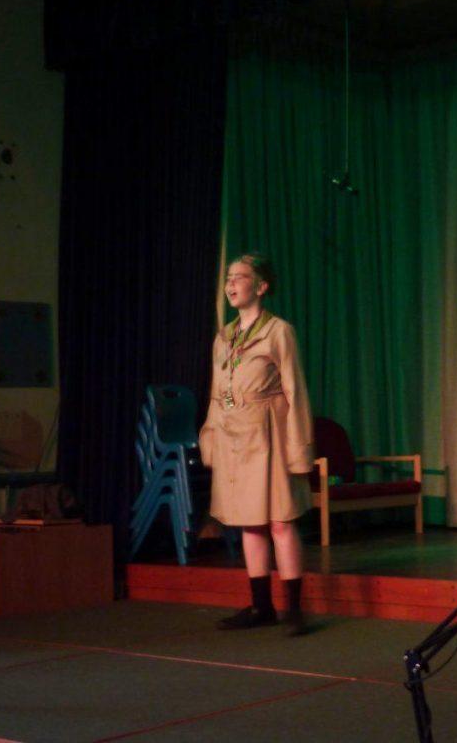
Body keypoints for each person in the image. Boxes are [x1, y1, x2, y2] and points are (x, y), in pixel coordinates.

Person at [199, 253, 314, 636]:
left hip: (270, 432)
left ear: (261, 286)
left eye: (240, 277)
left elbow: (295, 390)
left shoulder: (278, 331)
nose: (231, 284)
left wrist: (299, 447)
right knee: (249, 522)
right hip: (235, 434)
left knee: (279, 520)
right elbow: (217, 392)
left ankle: (293, 609)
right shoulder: (224, 336)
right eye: (228, 278)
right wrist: (211, 436)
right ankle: (261, 605)